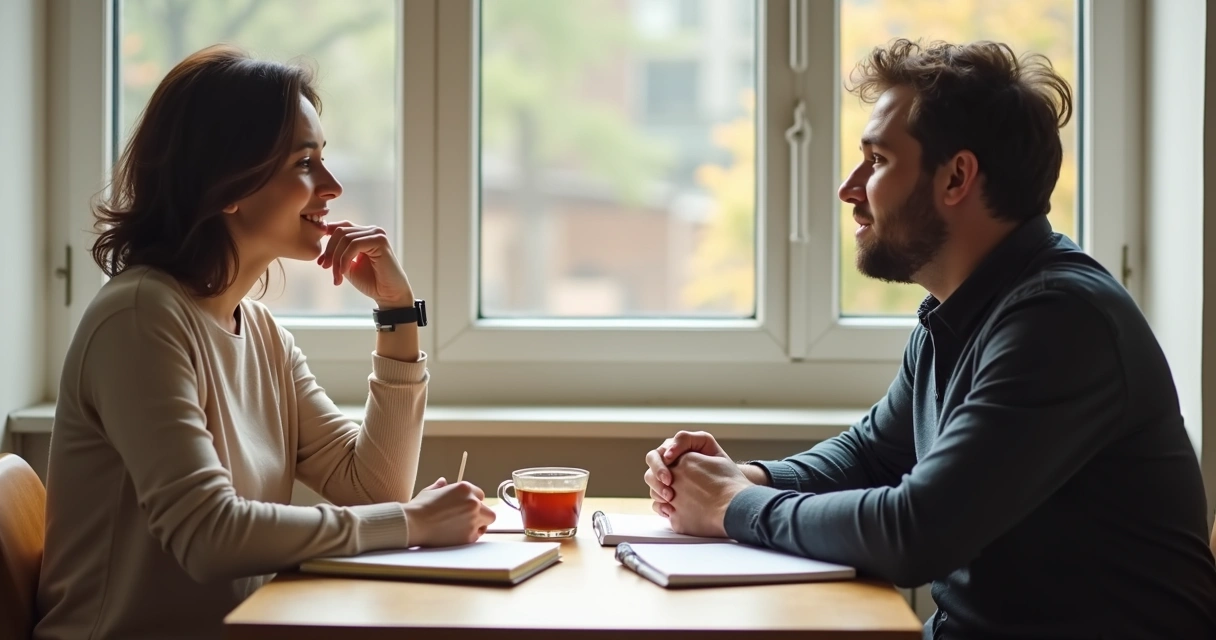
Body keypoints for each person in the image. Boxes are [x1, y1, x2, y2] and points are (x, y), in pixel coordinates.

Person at [644, 39, 1216, 639]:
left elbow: (915, 532)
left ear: (957, 178)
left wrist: (732, 508)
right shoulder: (961, 312)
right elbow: (873, 453)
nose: (849, 187)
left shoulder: (1060, 321)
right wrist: (747, 478)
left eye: (878, 160)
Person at [35, 45, 495, 640]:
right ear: (227, 182)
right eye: (305, 163)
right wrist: (409, 523)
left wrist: (397, 313)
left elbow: (372, 487)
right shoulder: (139, 317)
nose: (331, 186)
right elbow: (207, 535)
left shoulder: (259, 331)